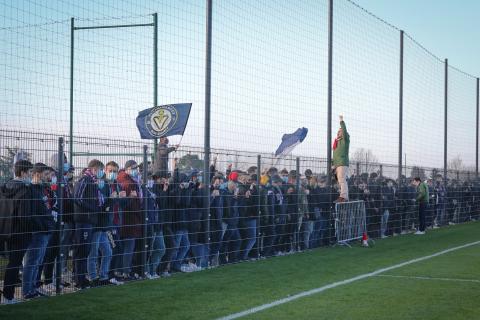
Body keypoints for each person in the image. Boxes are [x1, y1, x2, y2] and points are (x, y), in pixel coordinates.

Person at [1, 160, 33, 304]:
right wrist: (29, 230)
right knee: (14, 263)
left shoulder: (5, 186)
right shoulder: (24, 190)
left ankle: (8, 294)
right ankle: (8, 296)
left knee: (12, 263)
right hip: (20, 232)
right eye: (30, 172)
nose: (31, 175)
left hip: (5, 230)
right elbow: (24, 215)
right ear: (23, 172)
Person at [73, 159, 105, 289]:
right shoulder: (85, 180)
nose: (101, 173)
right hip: (83, 219)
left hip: (90, 220)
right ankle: (79, 279)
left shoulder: (92, 182)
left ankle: (81, 277)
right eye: (100, 170)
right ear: (94, 169)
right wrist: (92, 208)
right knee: (81, 249)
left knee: (85, 250)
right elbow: (78, 198)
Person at [332, 115, 350, 202]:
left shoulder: (345, 140)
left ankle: (344, 197)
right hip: (337, 164)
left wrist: (341, 121)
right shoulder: (336, 143)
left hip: (342, 163)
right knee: (340, 180)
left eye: (340, 131)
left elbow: (345, 131)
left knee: (342, 179)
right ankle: (343, 196)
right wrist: (333, 165)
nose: (339, 132)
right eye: (338, 131)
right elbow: (334, 156)